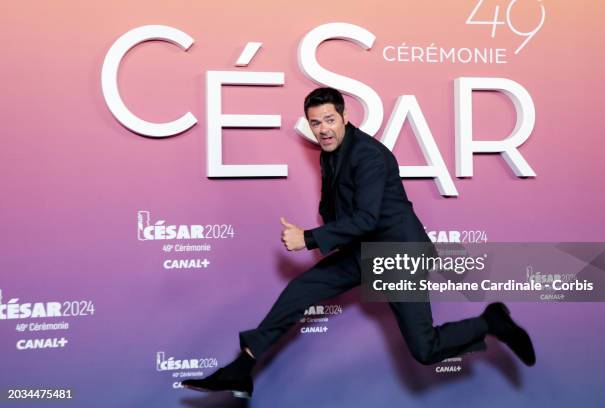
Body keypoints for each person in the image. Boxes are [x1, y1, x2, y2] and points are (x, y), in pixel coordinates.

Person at [181, 87, 535, 399]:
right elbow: (336, 203)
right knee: (301, 289)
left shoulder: (369, 156)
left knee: (425, 350)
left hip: (398, 253)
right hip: (361, 249)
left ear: (345, 117)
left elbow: (367, 217)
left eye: (330, 120)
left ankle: (491, 321)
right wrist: (326, 227)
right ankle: (241, 369)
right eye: (316, 123)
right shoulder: (329, 151)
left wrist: (307, 238)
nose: (323, 130)